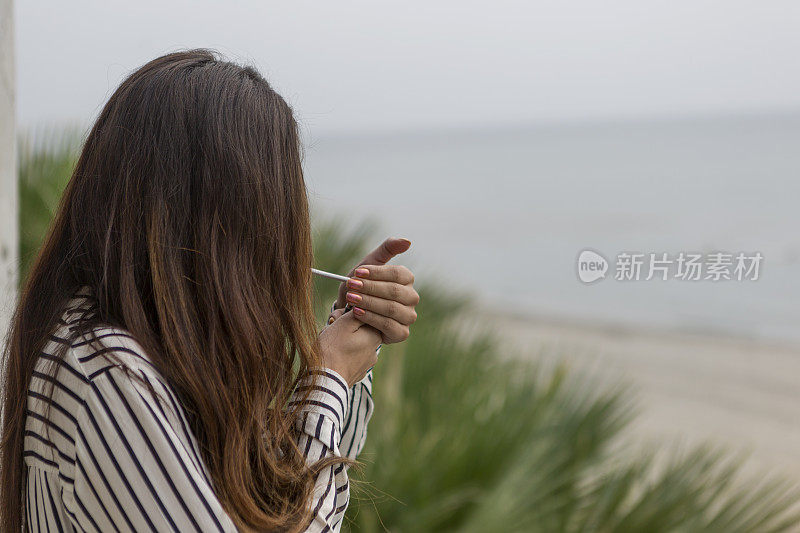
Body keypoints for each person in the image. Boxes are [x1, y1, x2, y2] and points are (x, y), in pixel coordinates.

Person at [0, 49, 419, 532]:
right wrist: (329, 377)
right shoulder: (108, 371)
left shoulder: (135, 350)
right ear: (227, 226)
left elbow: (258, 508)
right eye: (272, 212)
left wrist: (346, 339)